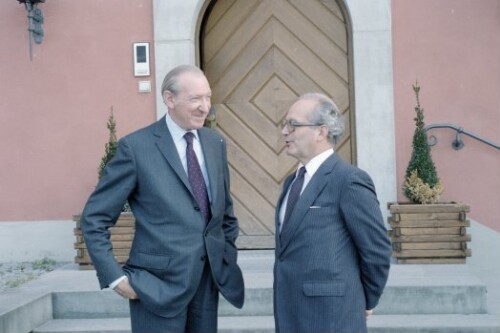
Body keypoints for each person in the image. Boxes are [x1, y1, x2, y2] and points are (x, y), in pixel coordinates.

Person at [81, 65, 244, 333]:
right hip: (154, 287)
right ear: (169, 99)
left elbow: (225, 213)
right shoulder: (136, 148)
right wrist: (114, 277)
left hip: (207, 284)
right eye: (195, 99)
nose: (205, 107)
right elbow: (94, 218)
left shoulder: (215, 143)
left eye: (208, 97)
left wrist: (225, 258)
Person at [273, 93, 391, 333]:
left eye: (293, 125)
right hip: (291, 312)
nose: (285, 131)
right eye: (285, 124)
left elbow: (376, 249)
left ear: (321, 131)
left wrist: (364, 299)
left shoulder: (348, 180)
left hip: (331, 316)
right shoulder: (292, 182)